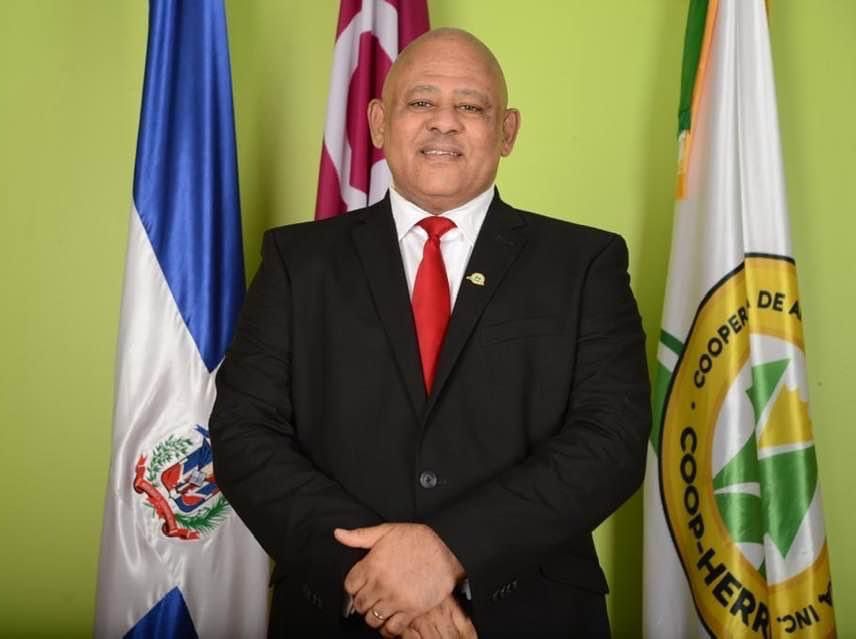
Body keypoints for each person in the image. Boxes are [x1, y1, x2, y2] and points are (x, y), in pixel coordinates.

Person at [209, 28, 651, 638]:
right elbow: (244, 434)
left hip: (531, 615)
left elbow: (611, 442)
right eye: (420, 102)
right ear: (378, 122)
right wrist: (379, 579)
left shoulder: (584, 263)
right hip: (338, 612)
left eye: (471, 106)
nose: (444, 121)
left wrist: (450, 552)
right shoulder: (297, 261)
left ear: (507, 131)